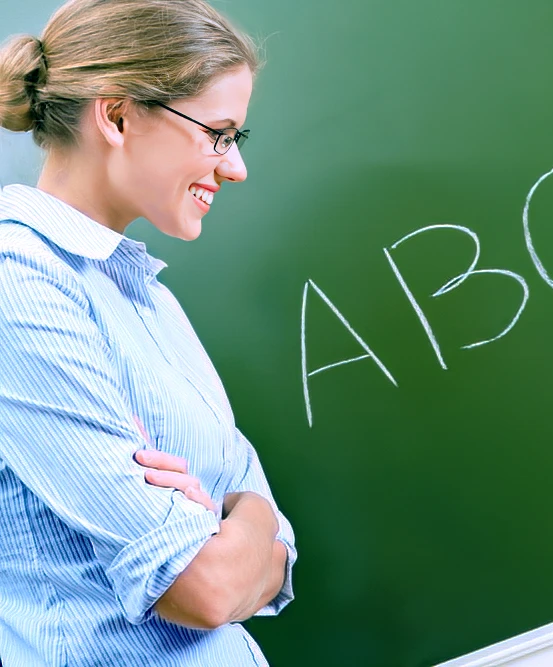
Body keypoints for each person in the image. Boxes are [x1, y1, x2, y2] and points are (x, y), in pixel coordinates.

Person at [0, 0, 295, 664]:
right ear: (118, 115)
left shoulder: (146, 293)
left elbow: (272, 531)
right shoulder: (17, 284)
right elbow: (205, 588)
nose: (234, 166)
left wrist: (242, 517)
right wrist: (245, 522)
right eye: (219, 133)